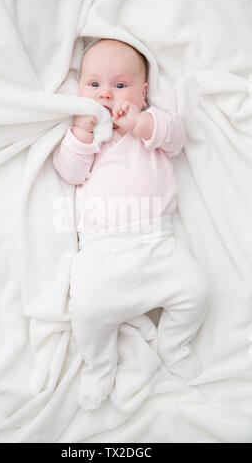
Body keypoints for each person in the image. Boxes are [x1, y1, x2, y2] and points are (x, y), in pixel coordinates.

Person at [53, 39, 210, 410]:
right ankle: (99, 366)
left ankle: (173, 343)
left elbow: (177, 137)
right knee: (88, 311)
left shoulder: (151, 127)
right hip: (102, 248)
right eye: (93, 85)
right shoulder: (87, 137)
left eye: (120, 85)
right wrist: (81, 132)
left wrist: (139, 122)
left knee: (197, 291)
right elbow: (70, 173)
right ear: (79, 90)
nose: (106, 94)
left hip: (158, 244)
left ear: (143, 92)